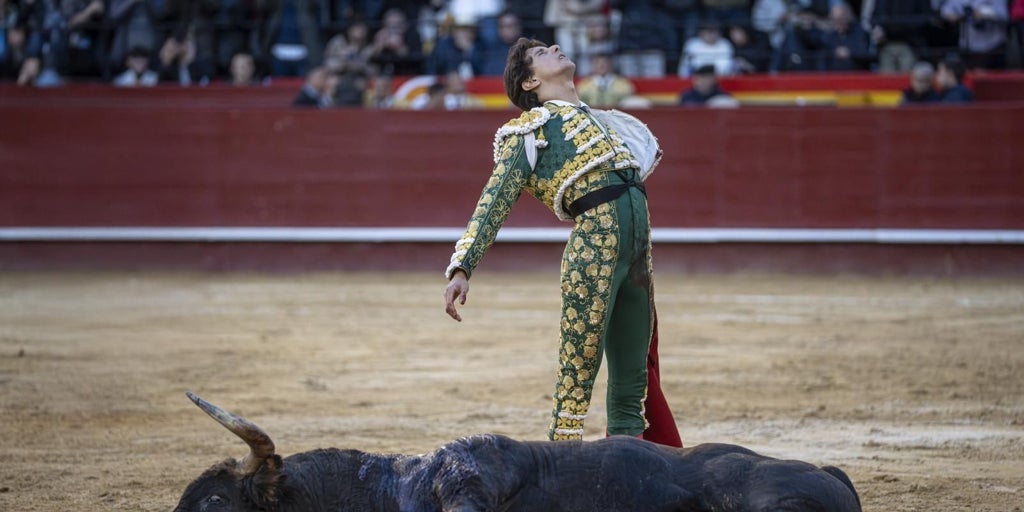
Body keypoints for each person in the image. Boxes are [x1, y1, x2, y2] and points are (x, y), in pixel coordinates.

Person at [443, 37, 682, 447]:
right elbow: (494, 200)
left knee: (632, 376)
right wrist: (463, 266)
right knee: (578, 373)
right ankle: (558, 467)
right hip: (593, 252)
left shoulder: (604, 120)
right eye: (540, 54)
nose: (554, 47)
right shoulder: (528, 132)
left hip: (639, 256)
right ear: (530, 83)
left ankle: (635, 476)